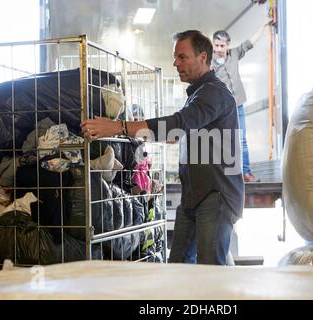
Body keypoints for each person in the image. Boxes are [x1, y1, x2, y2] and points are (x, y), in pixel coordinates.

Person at [81, 30, 244, 265]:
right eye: (175, 57)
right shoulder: (198, 94)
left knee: (210, 271)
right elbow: (178, 134)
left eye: (182, 57)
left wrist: (118, 126)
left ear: (202, 57)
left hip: (215, 195)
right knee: (178, 265)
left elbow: (177, 126)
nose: (176, 63)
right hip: (194, 196)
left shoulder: (213, 93)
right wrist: (142, 133)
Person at [211, 17, 271, 183]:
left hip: (237, 105)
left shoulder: (235, 54)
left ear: (228, 45)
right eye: (216, 45)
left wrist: (264, 25)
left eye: (222, 45)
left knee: (242, 139)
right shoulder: (209, 63)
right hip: (221, 108)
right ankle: (224, 174)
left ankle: (246, 173)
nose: (219, 49)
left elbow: (250, 42)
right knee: (223, 139)